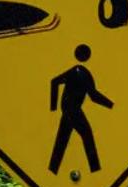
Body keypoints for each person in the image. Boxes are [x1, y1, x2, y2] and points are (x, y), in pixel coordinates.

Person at [49, 44, 115, 175]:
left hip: (69, 110)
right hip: (73, 111)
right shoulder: (80, 72)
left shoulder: (79, 71)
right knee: (86, 136)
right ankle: (95, 169)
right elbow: (54, 82)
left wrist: (111, 105)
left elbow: (93, 96)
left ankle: (52, 169)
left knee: (62, 140)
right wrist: (53, 107)